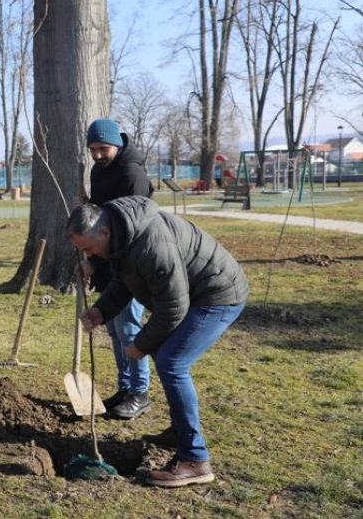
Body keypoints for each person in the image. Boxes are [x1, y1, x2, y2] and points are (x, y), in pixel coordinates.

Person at [68, 196, 249, 487]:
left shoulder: (152, 246)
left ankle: (195, 459)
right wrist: (102, 310)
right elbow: (125, 280)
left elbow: (173, 308)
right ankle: (181, 431)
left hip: (218, 294)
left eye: (89, 248)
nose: (89, 255)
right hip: (194, 294)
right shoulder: (122, 236)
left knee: (172, 362)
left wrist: (140, 345)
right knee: (168, 357)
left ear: (104, 232)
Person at [82, 117, 154, 419]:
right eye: (93, 149)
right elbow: (102, 221)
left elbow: (130, 226)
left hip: (131, 260)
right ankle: (125, 389)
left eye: (103, 148)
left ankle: (140, 392)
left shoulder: (132, 173)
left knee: (128, 328)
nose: (97, 155)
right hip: (109, 262)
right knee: (113, 328)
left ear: (117, 143)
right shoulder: (100, 171)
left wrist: (98, 259)